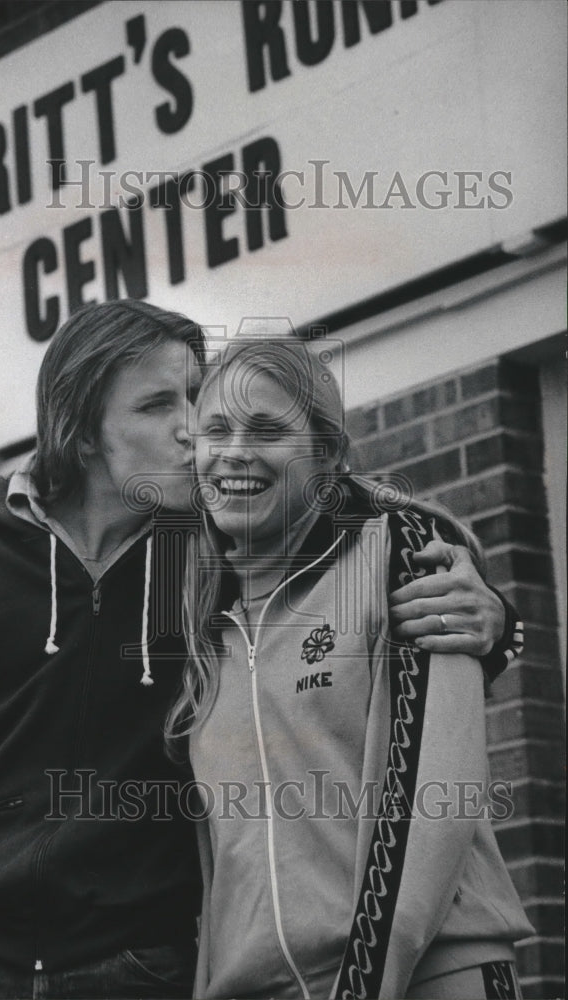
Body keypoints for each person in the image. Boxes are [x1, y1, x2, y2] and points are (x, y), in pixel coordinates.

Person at [0, 301, 522, 1000]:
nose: (192, 428)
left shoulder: (206, 550)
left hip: (142, 969)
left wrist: (491, 615)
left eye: (194, 395)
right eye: (159, 405)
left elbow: (330, 497)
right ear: (83, 429)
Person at [168, 336, 532, 1000]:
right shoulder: (197, 626)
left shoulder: (400, 556)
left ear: (327, 455)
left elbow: (427, 800)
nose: (234, 452)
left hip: (425, 974)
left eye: (268, 430)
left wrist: (368, 981)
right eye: (215, 430)